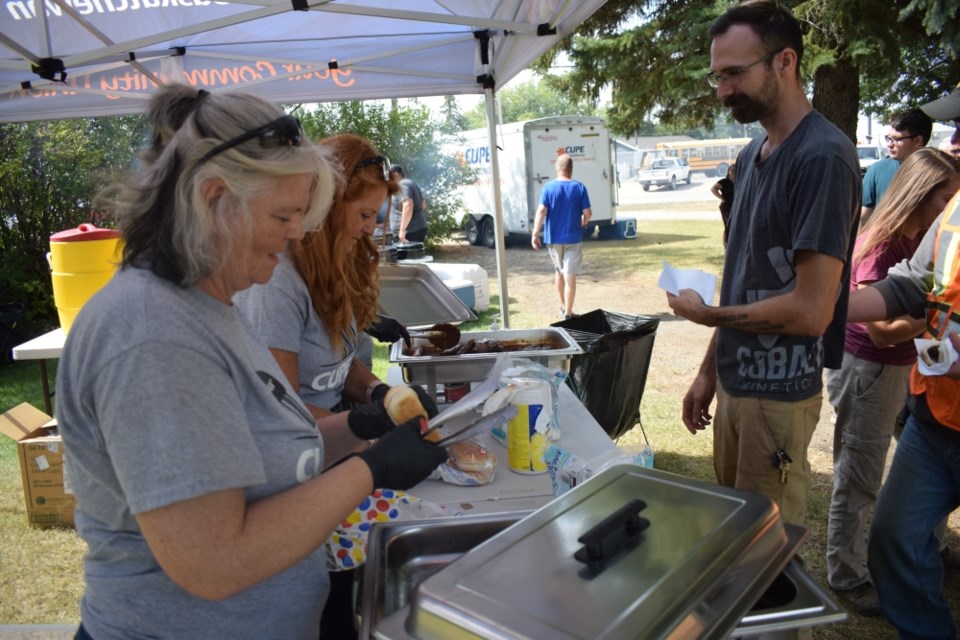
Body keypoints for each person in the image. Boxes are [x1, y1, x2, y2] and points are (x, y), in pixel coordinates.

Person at [55, 84, 447, 640]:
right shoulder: (153, 335)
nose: (298, 233)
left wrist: (363, 425)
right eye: (285, 214)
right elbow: (214, 562)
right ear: (216, 199)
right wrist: (373, 468)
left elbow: (266, 455)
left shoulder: (209, 304)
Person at [666, 1, 860, 530]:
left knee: (767, 553)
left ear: (785, 62)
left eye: (735, 73)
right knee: (733, 538)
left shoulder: (823, 157)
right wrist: (709, 373)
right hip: (735, 386)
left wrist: (708, 318)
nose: (724, 89)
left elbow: (811, 311)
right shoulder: (753, 155)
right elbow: (742, 282)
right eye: (718, 76)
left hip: (778, 397)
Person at [823, 149, 960, 616]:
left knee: (910, 475)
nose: (951, 205)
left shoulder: (923, 236)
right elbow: (881, 331)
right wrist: (935, 323)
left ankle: (929, 549)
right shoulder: (882, 245)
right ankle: (848, 575)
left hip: (905, 372)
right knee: (859, 474)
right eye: (945, 196)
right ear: (921, 194)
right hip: (871, 370)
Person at [531, 153, 593, 320]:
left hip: (553, 239)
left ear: (557, 169)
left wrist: (535, 234)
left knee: (559, 272)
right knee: (569, 274)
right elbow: (588, 212)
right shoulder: (579, 187)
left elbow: (541, 211)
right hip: (573, 239)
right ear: (571, 170)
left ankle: (563, 305)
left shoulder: (548, 188)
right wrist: (584, 220)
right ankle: (568, 313)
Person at [860, 108, 934, 223]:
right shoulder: (877, 170)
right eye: (888, 138)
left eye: (896, 139)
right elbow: (863, 217)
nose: (889, 144)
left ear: (918, 141)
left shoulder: (937, 174)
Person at [387, 164, 428, 244]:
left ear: (396, 174)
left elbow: (408, 205)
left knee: (407, 256)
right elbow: (423, 205)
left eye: (388, 174)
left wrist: (402, 230)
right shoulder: (411, 183)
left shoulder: (402, 184)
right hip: (415, 229)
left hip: (409, 232)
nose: (387, 178)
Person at [709, 163, 736, 245]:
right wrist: (722, 198)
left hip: (737, 206)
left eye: (735, 170)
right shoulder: (724, 182)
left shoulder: (740, 181)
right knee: (728, 225)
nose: (734, 171)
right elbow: (713, 189)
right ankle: (726, 244)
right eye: (732, 170)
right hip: (726, 206)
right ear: (728, 172)